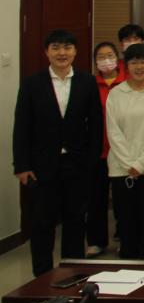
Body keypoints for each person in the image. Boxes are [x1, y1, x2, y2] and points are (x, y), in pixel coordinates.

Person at [13, 29, 103, 276]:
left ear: (75, 51)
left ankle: (72, 275)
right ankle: (41, 278)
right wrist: (22, 165)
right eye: (55, 47)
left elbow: (96, 124)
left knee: (76, 220)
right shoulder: (32, 84)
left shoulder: (87, 82)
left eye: (67, 47)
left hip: (77, 164)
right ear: (47, 52)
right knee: (42, 223)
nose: (61, 53)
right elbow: (22, 127)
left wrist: (91, 160)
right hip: (41, 165)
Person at [105, 44, 144, 260]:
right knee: (126, 219)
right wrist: (129, 163)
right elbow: (113, 131)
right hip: (121, 168)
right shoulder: (116, 93)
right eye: (134, 62)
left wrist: (141, 162)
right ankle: (127, 263)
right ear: (125, 65)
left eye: (143, 61)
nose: (139, 66)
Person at [87, 42, 124, 257]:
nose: (106, 60)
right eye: (101, 57)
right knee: (96, 199)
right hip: (98, 151)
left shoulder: (126, 83)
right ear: (95, 62)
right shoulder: (89, 85)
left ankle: (124, 236)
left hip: (122, 152)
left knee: (122, 200)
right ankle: (96, 241)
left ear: (117, 58)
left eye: (110, 55)